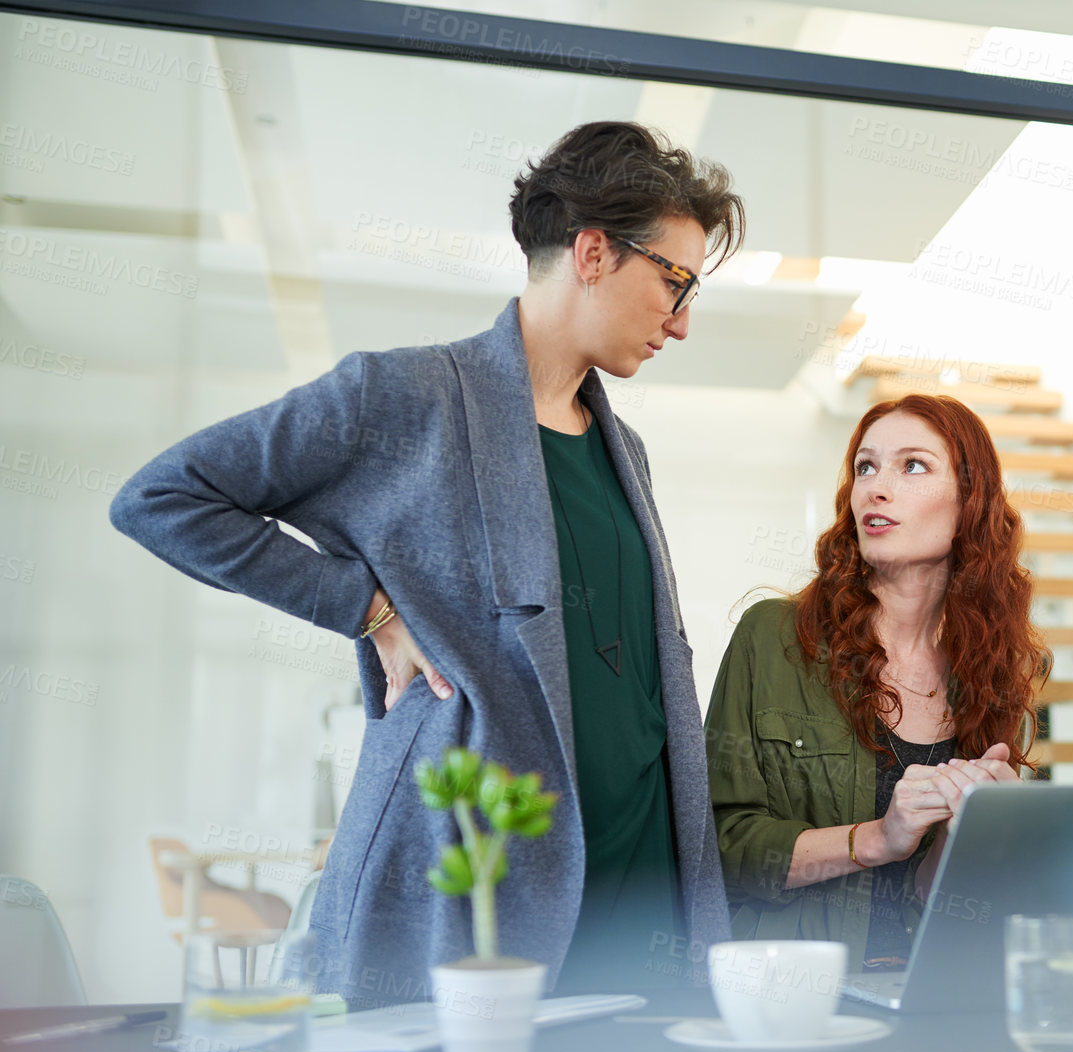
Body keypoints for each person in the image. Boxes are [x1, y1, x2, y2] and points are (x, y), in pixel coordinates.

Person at [109, 122, 744, 1003]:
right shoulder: (401, 399)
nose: (679, 321)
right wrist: (364, 606)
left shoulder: (623, 447)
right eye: (674, 281)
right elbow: (163, 498)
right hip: (484, 881)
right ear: (594, 252)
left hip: (642, 882)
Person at [705, 394, 1044, 969]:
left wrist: (975, 834)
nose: (875, 488)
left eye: (912, 465)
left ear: (970, 504)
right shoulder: (774, 636)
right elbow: (719, 848)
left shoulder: (989, 669)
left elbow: (932, 894)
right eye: (866, 466)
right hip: (792, 985)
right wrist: (879, 839)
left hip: (923, 985)